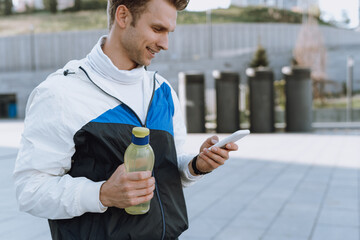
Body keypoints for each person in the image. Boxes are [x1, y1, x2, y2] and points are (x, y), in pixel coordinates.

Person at [13, 0, 238, 239]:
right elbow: (29, 189)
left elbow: (168, 169)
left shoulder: (162, 90)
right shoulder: (61, 93)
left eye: (169, 33)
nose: (165, 44)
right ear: (123, 16)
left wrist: (196, 166)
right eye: (157, 29)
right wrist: (102, 194)